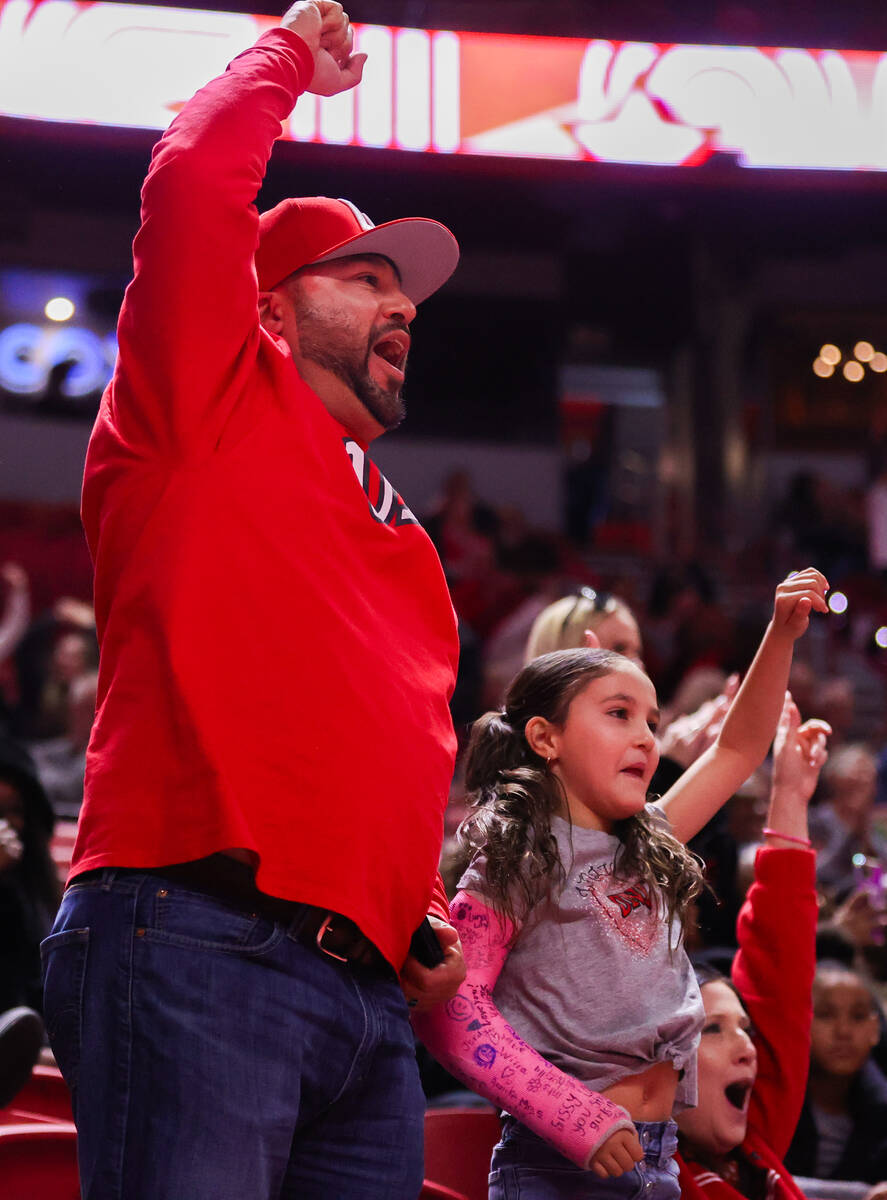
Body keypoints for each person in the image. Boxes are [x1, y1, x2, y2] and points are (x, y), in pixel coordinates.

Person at [41, 5, 466, 1198]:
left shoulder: (407, 536)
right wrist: (285, 60)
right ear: (268, 307)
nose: (404, 308)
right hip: (195, 934)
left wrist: (419, 913)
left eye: (408, 293)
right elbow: (191, 181)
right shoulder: (198, 399)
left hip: (364, 998)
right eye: (366, 277)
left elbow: (398, 733)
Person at [414, 568, 829, 1197]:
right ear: (544, 738)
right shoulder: (516, 861)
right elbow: (452, 1010)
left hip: (659, 1161)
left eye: (652, 723)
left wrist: (780, 633)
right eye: (619, 714)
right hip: (560, 1167)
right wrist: (574, 1118)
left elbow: (737, 750)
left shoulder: (649, 840)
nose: (645, 738)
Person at [675, 697, 830, 1198]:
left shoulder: (752, 1146)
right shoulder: (639, 1175)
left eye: (742, 1027)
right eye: (713, 1030)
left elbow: (780, 971)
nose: (748, 1047)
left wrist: (789, 795)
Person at [784, 962, 887, 1186]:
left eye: (858, 1017)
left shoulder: (882, 1111)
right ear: (800, 1021)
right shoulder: (771, 1101)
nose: (844, 1032)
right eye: (826, 1015)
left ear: (875, 1030)